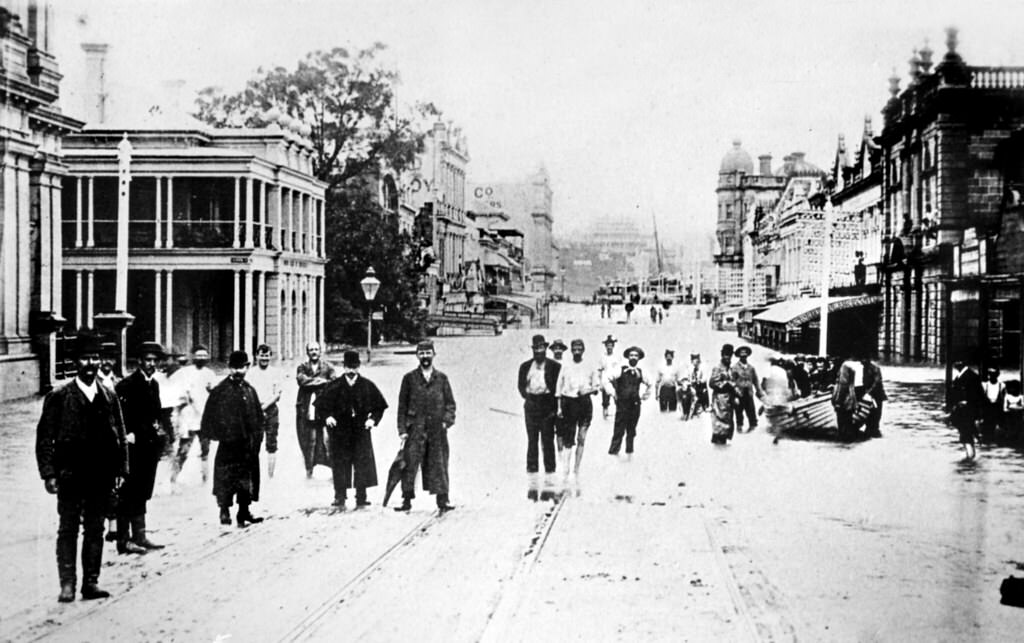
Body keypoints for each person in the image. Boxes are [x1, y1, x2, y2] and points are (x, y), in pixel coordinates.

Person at [36, 333, 128, 602]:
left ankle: (91, 582)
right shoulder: (60, 396)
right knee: (67, 530)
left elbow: (120, 434)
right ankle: (67, 584)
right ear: (76, 361)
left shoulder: (109, 395)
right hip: (70, 474)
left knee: (95, 529)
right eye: (85, 357)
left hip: (101, 474)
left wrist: (121, 469)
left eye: (95, 357)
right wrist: (49, 473)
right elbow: (45, 437)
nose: (91, 363)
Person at [315, 350, 388, 510]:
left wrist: (372, 420)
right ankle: (339, 495)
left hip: (360, 428)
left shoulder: (367, 385)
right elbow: (321, 406)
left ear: (359, 367)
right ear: (343, 367)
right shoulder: (334, 386)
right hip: (340, 430)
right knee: (340, 462)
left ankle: (361, 496)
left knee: (362, 461)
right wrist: (328, 417)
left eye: (354, 367)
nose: (351, 371)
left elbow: (380, 406)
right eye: (348, 367)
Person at [114, 342, 167, 554]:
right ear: (139, 362)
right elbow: (119, 416)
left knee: (143, 490)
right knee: (128, 492)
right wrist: (127, 435)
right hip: (133, 448)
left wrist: (158, 432)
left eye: (155, 360)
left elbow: (156, 414)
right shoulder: (127, 385)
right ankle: (124, 540)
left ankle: (140, 535)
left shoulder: (153, 385)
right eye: (148, 360)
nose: (151, 364)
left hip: (148, 447)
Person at [201, 351, 265, 527]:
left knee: (247, 479)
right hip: (229, 445)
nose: (238, 371)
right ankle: (224, 511)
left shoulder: (249, 390)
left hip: (247, 445)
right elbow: (209, 417)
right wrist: (221, 434)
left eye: (242, 367)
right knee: (226, 478)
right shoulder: (221, 391)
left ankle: (244, 511)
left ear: (247, 368)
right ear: (229, 368)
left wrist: (257, 438)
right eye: (235, 368)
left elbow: (258, 417)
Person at [395, 341, 457, 513]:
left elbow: (450, 404)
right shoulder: (409, 379)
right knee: (410, 464)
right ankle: (406, 500)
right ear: (417, 356)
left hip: (437, 429)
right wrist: (402, 430)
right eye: (421, 354)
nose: (425, 357)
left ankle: (443, 500)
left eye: (428, 353)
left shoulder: (442, 379)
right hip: (415, 428)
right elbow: (402, 406)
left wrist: (446, 421)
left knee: (439, 464)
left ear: (434, 355)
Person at [517, 334, 561, 477]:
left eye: (541, 348)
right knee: (532, 439)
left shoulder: (554, 366)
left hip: (548, 404)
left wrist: (555, 407)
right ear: (533, 350)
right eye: (536, 348)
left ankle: (550, 471)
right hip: (531, 404)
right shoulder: (525, 366)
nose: (539, 351)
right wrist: (530, 399)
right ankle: (532, 471)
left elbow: (558, 388)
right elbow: (521, 387)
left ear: (546, 348)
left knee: (548, 439)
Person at [173, 346, 218, 484]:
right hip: (190, 418)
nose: (201, 358)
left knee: (205, 450)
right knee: (184, 450)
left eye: (204, 356)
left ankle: (205, 480)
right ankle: (173, 479)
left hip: (205, 418)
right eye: (199, 356)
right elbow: (180, 393)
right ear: (193, 357)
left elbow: (215, 394)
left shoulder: (210, 374)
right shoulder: (185, 372)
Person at [555, 339, 598, 480]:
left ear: (583, 349)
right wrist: (559, 407)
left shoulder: (590, 366)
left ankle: (576, 469)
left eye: (580, 347)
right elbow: (559, 388)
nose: (577, 350)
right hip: (569, 403)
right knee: (568, 438)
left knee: (581, 438)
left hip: (584, 404)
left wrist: (586, 391)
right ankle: (566, 470)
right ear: (571, 350)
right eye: (574, 348)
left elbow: (597, 387)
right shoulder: (566, 365)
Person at [296, 341, 335, 478]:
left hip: (324, 408)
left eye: (316, 349)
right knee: (309, 440)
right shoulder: (302, 367)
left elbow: (333, 383)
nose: (314, 352)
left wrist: (314, 382)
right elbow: (302, 381)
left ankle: (333, 471)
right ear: (307, 352)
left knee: (327, 439)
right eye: (311, 349)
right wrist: (321, 381)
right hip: (308, 408)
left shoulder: (328, 367)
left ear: (320, 351)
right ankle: (309, 470)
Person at [605, 346, 652, 456]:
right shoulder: (620, 369)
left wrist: (645, 395)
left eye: (636, 356)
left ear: (639, 358)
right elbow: (606, 379)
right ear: (627, 357)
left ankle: (629, 452)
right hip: (622, 404)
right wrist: (612, 393)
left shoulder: (641, 372)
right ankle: (613, 452)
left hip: (635, 404)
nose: (633, 357)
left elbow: (650, 383)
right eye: (631, 355)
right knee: (619, 429)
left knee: (632, 429)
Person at [246, 344, 284, 478]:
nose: (264, 358)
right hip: (254, 411)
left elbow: (277, 395)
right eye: (261, 355)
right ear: (256, 356)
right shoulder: (250, 373)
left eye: (267, 356)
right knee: (253, 442)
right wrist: (257, 408)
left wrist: (264, 407)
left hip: (271, 410)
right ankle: (253, 474)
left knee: (272, 443)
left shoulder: (276, 372)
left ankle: (270, 476)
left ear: (270, 357)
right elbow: (247, 393)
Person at [949, 360, 984, 461]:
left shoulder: (970, 376)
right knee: (965, 431)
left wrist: (967, 402)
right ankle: (970, 454)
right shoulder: (962, 375)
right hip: (962, 410)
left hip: (967, 410)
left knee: (966, 432)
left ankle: (970, 456)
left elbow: (977, 395)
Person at [831, 355, 865, 441]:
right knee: (848, 417)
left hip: (845, 397)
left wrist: (838, 400)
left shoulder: (844, 367)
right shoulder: (852, 367)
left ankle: (844, 437)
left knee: (842, 417)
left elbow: (843, 385)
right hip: (851, 395)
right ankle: (849, 436)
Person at [730, 346, 764, 432]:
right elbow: (732, 381)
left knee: (751, 409)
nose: (744, 357)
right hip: (739, 392)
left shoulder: (751, 368)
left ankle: (752, 425)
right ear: (739, 356)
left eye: (745, 356)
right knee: (739, 410)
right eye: (742, 356)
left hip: (748, 392)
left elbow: (756, 380)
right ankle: (739, 426)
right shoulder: (734, 368)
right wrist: (734, 395)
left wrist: (759, 391)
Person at [709, 344, 737, 444]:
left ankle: (723, 442)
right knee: (719, 423)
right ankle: (717, 442)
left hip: (728, 400)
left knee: (727, 423)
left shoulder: (730, 368)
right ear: (722, 355)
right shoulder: (717, 368)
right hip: (719, 399)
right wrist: (725, 384)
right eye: (726, 355)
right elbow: (712, 383)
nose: (728, 357)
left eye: (729, 355)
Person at [860, 356, 888, 439]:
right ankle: (869, 429)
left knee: (876, 412)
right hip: (866, 392)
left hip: (877, 393)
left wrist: (869, 392)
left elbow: (877, 381)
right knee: (868, 411)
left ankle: (874, 429)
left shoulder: (874, 367)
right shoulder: (860, 367)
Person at [597, 335, 621, 420]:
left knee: (617, 396)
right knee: (605, 399)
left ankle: (618, 414)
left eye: (611, 345)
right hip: (605, 379)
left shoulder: (616, 357)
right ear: (605, 346)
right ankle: (605, 415)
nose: (609, 347)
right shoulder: (602, 357)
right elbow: (600, 370)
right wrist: (599, 383)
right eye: (607, 345)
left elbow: (619, 369)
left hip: (615, 379)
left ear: (613, 346)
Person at [980, 367, 1005, 444]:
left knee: (996, 422)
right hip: (988, 406)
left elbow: (1003, 397)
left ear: (997, 375)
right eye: (990, 375)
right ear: (988, 375)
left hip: (997, 406)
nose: (991, 376)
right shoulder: (985, 385)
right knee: (987, 422)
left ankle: (996, 438)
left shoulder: (1002, 385)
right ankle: (987, 438)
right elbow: (982, 397)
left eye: (994, 375)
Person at [1003, 380, 1024, 444]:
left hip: (1018, 414)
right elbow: (1005, 408)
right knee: (1010, 427)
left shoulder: (1021, 397)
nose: (1013, 389)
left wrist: (1018, 408)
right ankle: (1010, 439)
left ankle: (1017, 439)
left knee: (1018, 426)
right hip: (1010, 415)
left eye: (1015, 387)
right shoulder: (1007, 397)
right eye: (1012, 388)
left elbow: (1023, 406)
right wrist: (1009, 410)